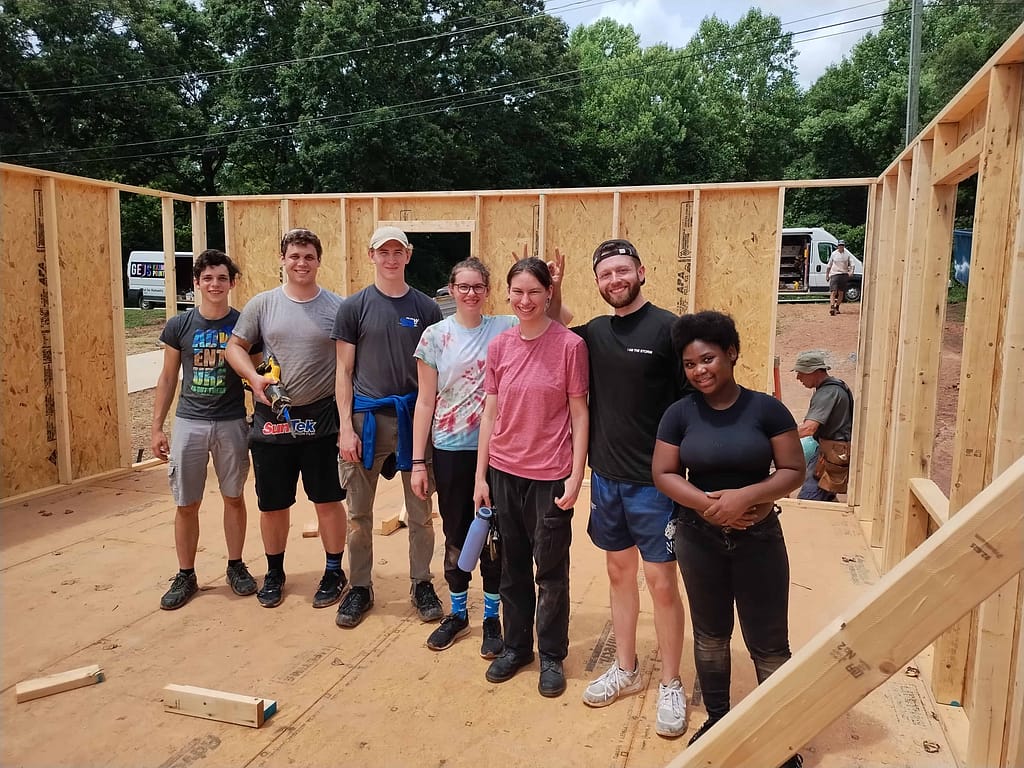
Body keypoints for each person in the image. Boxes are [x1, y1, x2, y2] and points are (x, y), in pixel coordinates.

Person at [652, 310, 804, 768]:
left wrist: (746, 497)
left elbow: (793, 470)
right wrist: (709, 505)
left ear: (732, 354)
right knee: (711, 636)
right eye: (690, 364)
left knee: (770, 643)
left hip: (760, 539)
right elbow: (663, 473)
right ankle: (718, 719)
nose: (699, 371)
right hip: (699, 539)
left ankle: (780, 736)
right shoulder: (679, 414)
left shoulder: (766, 410)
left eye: (708, 359)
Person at [552, 239, 689, 737]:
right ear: (597, 282)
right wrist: (555, 286)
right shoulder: (594, 333)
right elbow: (551, 327)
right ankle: (626, 669)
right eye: (606, 274)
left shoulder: (670, 330)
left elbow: (690, 404)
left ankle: (671, 682)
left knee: (662, 583)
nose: (615, 280)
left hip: (656, 483)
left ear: (642, 272)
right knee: (617, 572)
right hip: (607, 477)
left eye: (623, 270)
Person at [411, 254, 571, 657]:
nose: (470, 293)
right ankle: (458, 612)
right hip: (450, 449)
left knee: (495, 538)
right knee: (456, 534)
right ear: (451, 289)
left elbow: (557, 321)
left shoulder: (504, 327)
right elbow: (425, 401)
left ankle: (491, 617)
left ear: (488, 291)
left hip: (498, 455)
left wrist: (554, 285)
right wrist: (417, 461)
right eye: (463, 286)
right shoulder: (434, 336)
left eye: (478, 286)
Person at [474, 257, 589, 698]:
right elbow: (490, 413)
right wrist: (481, 475)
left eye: (535, 292)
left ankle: (552, 655)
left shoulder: (569, 346)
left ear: (548, 294)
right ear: (508, 294)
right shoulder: (500, 346)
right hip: (504, 472)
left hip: (550, 476)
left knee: (552, 571)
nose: (526, 301)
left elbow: (579, 413)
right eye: (518, 292)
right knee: (512, 566)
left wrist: (576, 475)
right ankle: (517, 647)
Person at [224, 228, 348, 612]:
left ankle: (334, 571)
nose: (301, 263)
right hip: (273, 418)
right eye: (294, 256)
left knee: (328, 500)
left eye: (308, 256)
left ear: (319, 261)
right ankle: (275, 572)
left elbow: (349, 365)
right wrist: (253, 377)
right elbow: (234, 346)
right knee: (273, 504)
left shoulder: (337, 307)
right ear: (282, 260)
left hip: (320, 418)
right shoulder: (262, 305)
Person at [333, 225, 444, 629]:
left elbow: (436, 372)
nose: (391, 259)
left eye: (398, 252)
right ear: (371, 255)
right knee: (358, 513)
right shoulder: (354, 307)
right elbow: (343, 371)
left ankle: (422, 582)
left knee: (420, 511)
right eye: (384, 252)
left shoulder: (427, 309)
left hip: (414, 420)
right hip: (367, 422)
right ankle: (360, 586)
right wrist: (345, 427)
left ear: (408, 256)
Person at [152, 249, 258, 610]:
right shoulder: (179, 326)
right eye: (208, 278)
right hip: (189, 422)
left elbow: (257, 374)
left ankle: (236, 566)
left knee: (234, 497)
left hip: (231, 422)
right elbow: (168, 378)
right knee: (186, 502)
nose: (215, 284)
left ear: (232, 283)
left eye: (222, 278)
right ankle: (186, 574)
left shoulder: (244, 325)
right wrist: (157, 428)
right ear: (196, 282)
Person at [793, 351, 854, 502]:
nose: (798, 377)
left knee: (808, 500)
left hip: (831, 452)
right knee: (825, 495)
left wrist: (779, 436)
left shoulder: (827, 392)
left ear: (813, 371)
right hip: (831, 450)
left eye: (801, 373)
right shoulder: (836, 387)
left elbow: (809, 428)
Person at [825, 240, 853, 316]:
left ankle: (837, 307)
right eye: (840, 245)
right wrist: (827, 275)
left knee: (841, 292)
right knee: (833, 292)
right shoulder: (834, 254)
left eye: (842, 245)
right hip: (834, 274)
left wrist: (851, 272)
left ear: (844, 246)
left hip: (843, 274)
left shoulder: (847, 254)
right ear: (837, 246)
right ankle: (832, 307)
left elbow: (852, 264)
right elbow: (829, 265)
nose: (841, 246)